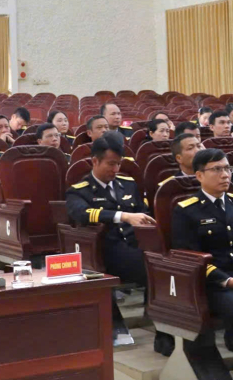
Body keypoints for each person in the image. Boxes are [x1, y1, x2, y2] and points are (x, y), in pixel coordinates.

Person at [66, 133, 174, 355]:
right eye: (110, 164)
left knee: (166, 266)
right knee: (153, 269)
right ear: (95, 161)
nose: (115, 169)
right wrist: (122, 216)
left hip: (136, 245)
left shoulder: (128, 184)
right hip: (106, 249)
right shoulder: (80, 190)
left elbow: (142, 213)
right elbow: (81, 214)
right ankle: (163, 333)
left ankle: (164, 330)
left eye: (118, 164)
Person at [171, 149, 233, 358]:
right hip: (212, 283)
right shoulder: (186, 210)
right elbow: (190, 258)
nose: (225, 175)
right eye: (217, 169)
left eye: (227, 168)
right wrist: (228, 281)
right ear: (199, 175)